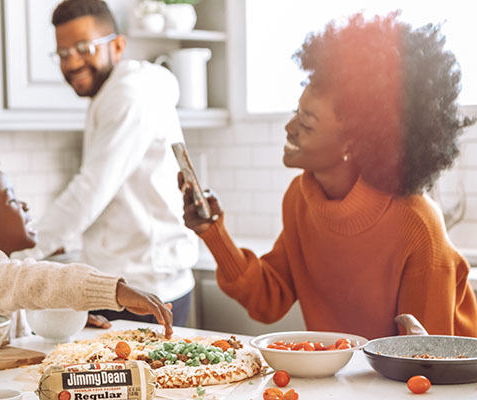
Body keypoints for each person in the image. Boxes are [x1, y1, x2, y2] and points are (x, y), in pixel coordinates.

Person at [179, 12, 477, 340]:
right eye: (296, 113)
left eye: (306, 123)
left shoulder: (416, 225)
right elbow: (268, 299)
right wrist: (212, 232)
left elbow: (424, 362)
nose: (289, 128)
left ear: (354, 143)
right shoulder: (301, 198)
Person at [17, 0, 198, 327]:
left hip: (141, 287)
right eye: (62, 53)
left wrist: (18, 257)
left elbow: (90, 191)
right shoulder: (118, 90)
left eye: (83, 47)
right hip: (138, 279)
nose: (72, 62)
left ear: (117, 45)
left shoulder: (127, 96)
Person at [0, 142, 173, 338]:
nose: (24, 206)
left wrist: (61, 320)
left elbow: (13, 308)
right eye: (11, 200)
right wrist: (116, 290)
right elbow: (34, 281)